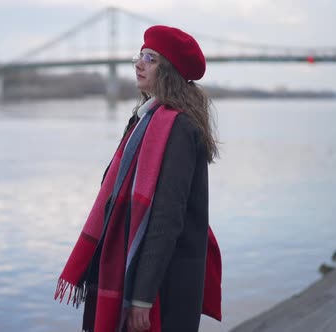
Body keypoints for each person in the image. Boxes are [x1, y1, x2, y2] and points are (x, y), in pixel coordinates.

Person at [55, 25, 222, 332]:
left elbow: (167, 217)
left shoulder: (178, 128)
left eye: (150, 58)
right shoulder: (145, 120)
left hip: (164, 282)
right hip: (140, 271)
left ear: (169, 70)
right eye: (140, 55)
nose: (138, 63)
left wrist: (142, 297)